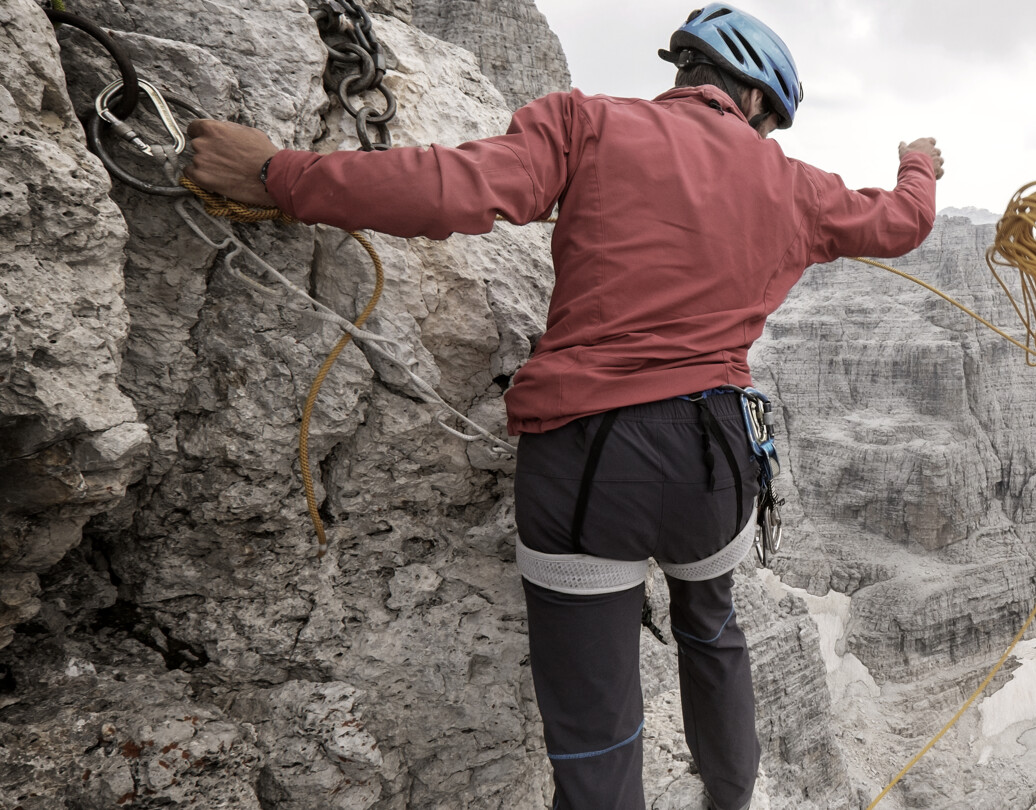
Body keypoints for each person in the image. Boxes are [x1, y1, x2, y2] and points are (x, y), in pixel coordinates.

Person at [182, 4, 944, 809]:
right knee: (713, 634)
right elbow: (903, 221)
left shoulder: (586, 125)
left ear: (686, 70)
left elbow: (452, 189)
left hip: (593, 456)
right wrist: (917, 162)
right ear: (755, 102)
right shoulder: (798, 187)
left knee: (595, 720)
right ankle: (731, 800)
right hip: (719, 461)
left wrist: (279, 175)